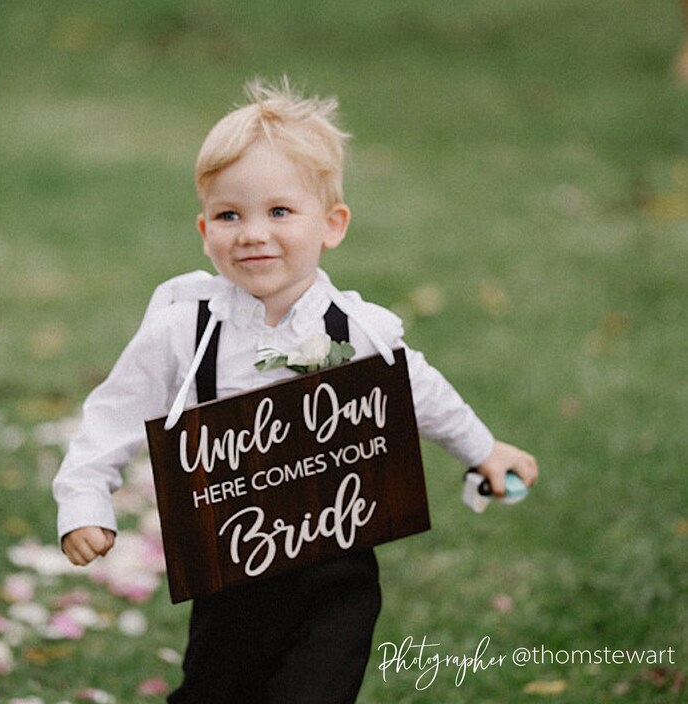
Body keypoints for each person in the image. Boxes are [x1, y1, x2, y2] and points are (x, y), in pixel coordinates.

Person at [53, 77, 538, 702]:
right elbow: (114, 413)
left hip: (336, 558)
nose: (253, 233)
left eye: (279, 211)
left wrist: (483, 450)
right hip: (233, 559)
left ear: (331, 224)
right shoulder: (186, 327)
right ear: (204, 231)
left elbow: (418, 390)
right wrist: (85, 499)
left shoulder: (357, 329)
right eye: (230, 215)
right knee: (214, 690)